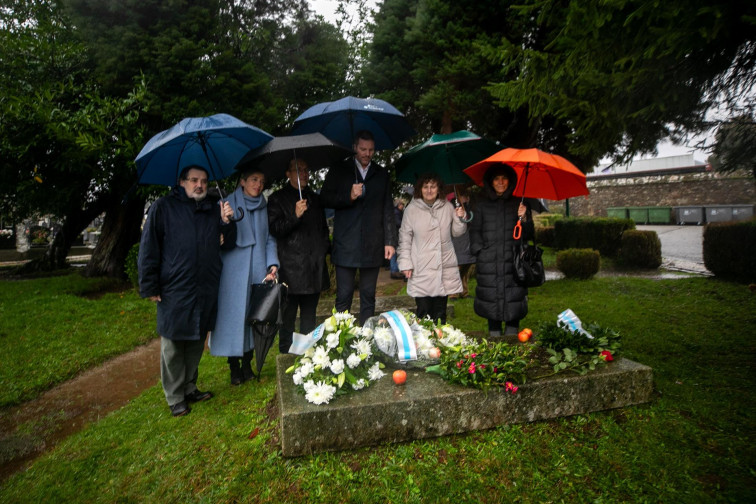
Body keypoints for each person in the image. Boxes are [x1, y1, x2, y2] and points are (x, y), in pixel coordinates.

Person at [138, 165, 236, 417]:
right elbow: (149, 248)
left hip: (205, 286)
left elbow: (230, 243)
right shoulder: (163, 207)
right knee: (173, 342)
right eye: (194, 180)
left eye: (204, 181)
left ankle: (189, 386)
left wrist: (226, 222)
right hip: (175, 287)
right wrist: (149, 285)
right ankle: (174, 396)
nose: (200, 185)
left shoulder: (212, 209)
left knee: (195, 340)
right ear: (182, 182)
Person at [320, 130, 397, 324]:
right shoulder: (339, 169)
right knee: (343, 297)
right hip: (345, 243)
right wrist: (349, 195)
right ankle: (340, 342)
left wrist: (390, 241)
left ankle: (366, 342)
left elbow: (387, 209)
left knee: (368, 297)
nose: (367, 153)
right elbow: (325, 198)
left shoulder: (381, 174)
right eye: (363, 149)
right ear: (355, 147)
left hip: (373, 244)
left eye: (371, 150)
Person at [210, 168, 278, 385]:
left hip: (257, 270)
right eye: (254, 179)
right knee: (233, 319)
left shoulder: (263, 205)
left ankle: (248, 363)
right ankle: (234, 368)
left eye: (261, 180)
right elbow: (216, 238)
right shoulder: (226, 204)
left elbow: (269, 239)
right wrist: (224, 220)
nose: (258, 184)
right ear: (242, 181)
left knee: (254, 317)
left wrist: (272, 264)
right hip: (233, 273)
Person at [268, 159, 330, 354]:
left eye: (306, 170)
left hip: (313, 266)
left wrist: (323, 250)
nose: (304, 173)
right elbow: (275, 230)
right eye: (298, 170)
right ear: (288, 174)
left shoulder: (315, 198)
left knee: (309, 316)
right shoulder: (277, 198)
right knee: (288, 317)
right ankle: (286, 354)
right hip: (290, 269)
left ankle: (307, 353)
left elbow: (322, 229)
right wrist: (294, 216)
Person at [469, 164, 534, 339]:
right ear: (491, 182)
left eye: (504, 178)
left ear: (510, 181)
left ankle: (512, 336)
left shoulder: (519, 203)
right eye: (496, 179)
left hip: (513, 262)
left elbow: (529, 234)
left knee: (514, 298)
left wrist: (525, 216)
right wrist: (479, 251)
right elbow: (475, 231)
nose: (500, 182)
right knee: (491, 298)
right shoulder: (482, 204)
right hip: (488, 261)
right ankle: (494, 336)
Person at [397, 173, 467, 324]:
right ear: (420, 189)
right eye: (425, 187)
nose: (429, 190)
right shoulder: (411, 210)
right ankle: (424, 345)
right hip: (421, 267)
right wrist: (405, 263)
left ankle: (440, 345)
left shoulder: (448, 207)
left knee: (440, 313)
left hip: (444, 266)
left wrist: (460, 217)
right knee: (423, 312)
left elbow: (457, 232)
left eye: (433, 186)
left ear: (439, 188)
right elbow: (405, 238)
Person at [447, 189, 475, 299]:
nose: (466, 198)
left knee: (465, 268)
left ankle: (464, 291)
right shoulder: (452, 206)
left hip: (468, 241)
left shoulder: (469, 207)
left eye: (466, 196)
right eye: (464, 195)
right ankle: (453, 293)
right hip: (457, 242)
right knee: (456, 268)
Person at [389, 199, 405, 279]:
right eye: (402, 205)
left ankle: (394, 270)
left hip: (395, 235)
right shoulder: (396, 213)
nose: (403, 206)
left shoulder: (397, 212)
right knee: (394, 252)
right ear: (398, 205)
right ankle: (394, 270)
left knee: (395, 252)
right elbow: (398, 223)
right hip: (395, 235)